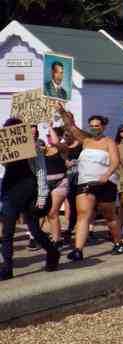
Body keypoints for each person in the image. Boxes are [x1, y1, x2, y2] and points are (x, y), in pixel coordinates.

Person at [57, 107, 123, 261]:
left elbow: (115, 161)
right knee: (83, 215)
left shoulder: (109, 142)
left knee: (110, 217)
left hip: (105, 183)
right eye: (92, 126)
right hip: (85, 182)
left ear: (103, 126)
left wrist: (106, 175)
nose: (94, 128)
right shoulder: (85, 141)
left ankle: (118, 242)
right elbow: (71, 127)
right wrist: (61, 112)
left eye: (97, 126)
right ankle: (78, 250)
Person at [1, 118, 60, 280]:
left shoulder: (33, 147)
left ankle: (53, 253)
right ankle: (7, 267)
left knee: (35, 230)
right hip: (10, 190)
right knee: (7, 232)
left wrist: (42, 196)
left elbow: (41, 172)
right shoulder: (4, 147)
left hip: (29, 191)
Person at [43, 125, 70, 250]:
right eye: (47, 135)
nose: (49, 137)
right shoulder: (42, 150)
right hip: (45, 184)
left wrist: (50, 127)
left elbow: (55, 142)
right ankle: (56, 237)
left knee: (52, 212)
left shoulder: (63, 148)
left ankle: (56, 241)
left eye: (51, 134)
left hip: (60, 183)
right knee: (48, 214)